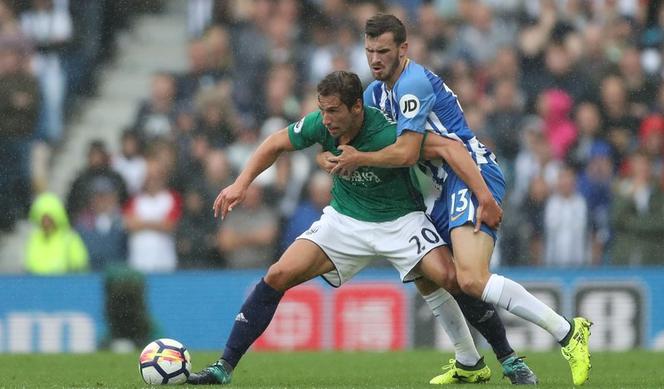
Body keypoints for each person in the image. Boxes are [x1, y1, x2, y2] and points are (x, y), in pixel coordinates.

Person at [327, 14, 592, 386]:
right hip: (437, 187)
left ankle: (568, 331)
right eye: (369, 50)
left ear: (403, 49)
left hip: (469, 173)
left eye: (383, 50)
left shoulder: (413, 84)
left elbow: (407, 153)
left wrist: (485, 197)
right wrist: (332, 153)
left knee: (471, 278)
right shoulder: (375, 94)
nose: (375, 59)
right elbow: (356, 137)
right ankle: (470, 361)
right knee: (428, 272)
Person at [189, 71, 491, 385]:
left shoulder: (389, 132)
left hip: (400, 219)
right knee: (278, 274)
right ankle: (222, 368)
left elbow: (442, 148)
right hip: (345, 221)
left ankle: (502, 357)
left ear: (356, 108)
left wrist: (483, 194)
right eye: (323, 109)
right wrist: (241, 184)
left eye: (333, 110)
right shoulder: (321, 123)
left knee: (450, 278)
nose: (326, 118)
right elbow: (275, 142)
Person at [25, 192, 89, 275]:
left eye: (49, 219)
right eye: (43, 219)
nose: (46, 223)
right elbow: (29, 266)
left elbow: (80, 267)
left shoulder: (70, 239)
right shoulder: (33, 239)